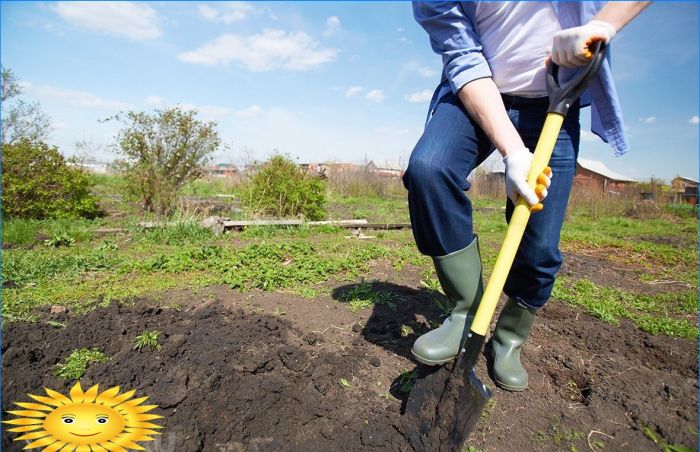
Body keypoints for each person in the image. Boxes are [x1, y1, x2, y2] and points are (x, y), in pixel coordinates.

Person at [404, 2, 650, 392]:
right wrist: (514, 152)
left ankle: (509, 338)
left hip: (555, 104)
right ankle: (465, 311)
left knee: (539, 246)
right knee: (429, 169)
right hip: (477, 98)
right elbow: (462, 56)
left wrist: (604, 24)